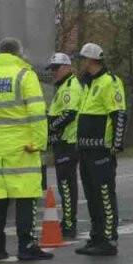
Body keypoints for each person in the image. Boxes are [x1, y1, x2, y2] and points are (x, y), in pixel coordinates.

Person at [0, 37, 53, 262]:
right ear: (18, 54)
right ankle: (26, 245)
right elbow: (37, 114)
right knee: (25, 196)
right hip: (22, 146)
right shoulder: (25, 76)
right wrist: (38, 143)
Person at [73, 42, 128, 256]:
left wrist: (116, 144)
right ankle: (96, 236)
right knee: (91, 195)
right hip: (86, 149)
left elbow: (119, 114)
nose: (81, 64)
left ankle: (109, 239)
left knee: (104, 193)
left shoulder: (110, 82)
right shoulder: (88, 84)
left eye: (83, 60)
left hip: (101, 149)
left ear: (90, 60)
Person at [46, 52, 84, 238]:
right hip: (62, 142)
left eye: (57, 68)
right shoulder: (62, 86)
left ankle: (69, 224)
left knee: (67, 186)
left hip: (68, 142)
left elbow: (69, 114)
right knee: (64, 186)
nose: (54, 72)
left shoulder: (70, 86)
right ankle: (68, 222)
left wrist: (51, 128)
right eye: (52, 69)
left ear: (68, 67)